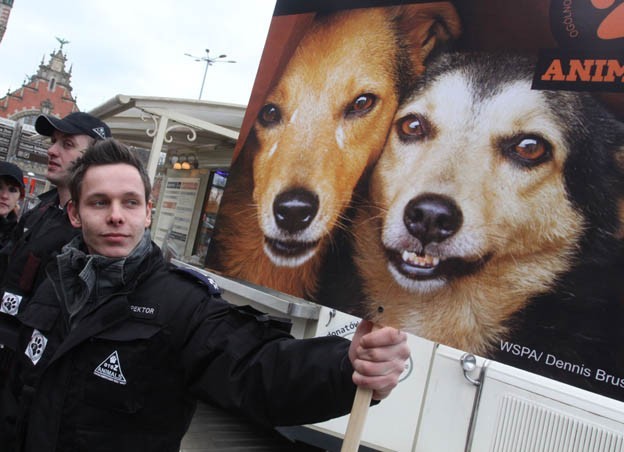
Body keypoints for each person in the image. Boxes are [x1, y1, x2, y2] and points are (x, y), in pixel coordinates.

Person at [0, 138, 410, 452]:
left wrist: (344, 366)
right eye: (99, 202)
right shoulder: (53, 282)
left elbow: (257, 369)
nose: (115, 215)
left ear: (148, 211)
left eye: (130, 202)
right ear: (75, 213)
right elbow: (18, 391)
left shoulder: (182, 303)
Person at [0, 162, 24, 249]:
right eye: (0, 187)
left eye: (12, 190)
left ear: (19, 197)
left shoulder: (18, 238)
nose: (5, 196)